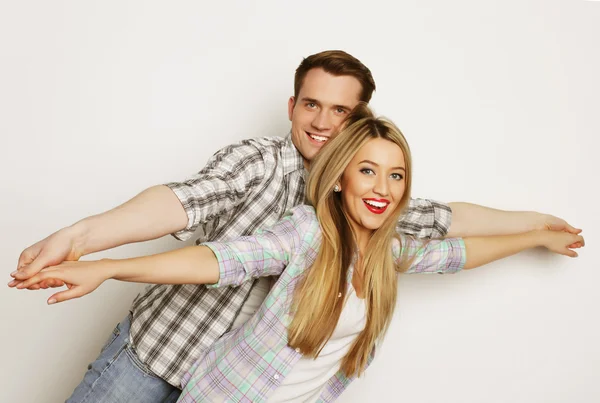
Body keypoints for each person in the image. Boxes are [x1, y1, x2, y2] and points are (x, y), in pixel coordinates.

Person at [9, 50, 580, 403]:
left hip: (240, 386)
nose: (322, 122)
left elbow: (449, 226)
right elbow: (186, 208)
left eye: (340, 112)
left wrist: (535, 227)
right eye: (312, 105)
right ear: (291, 107)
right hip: (156, 359)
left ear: (359, 122)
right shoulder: (264, 165)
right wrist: (86, 241)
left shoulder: (368, 203)